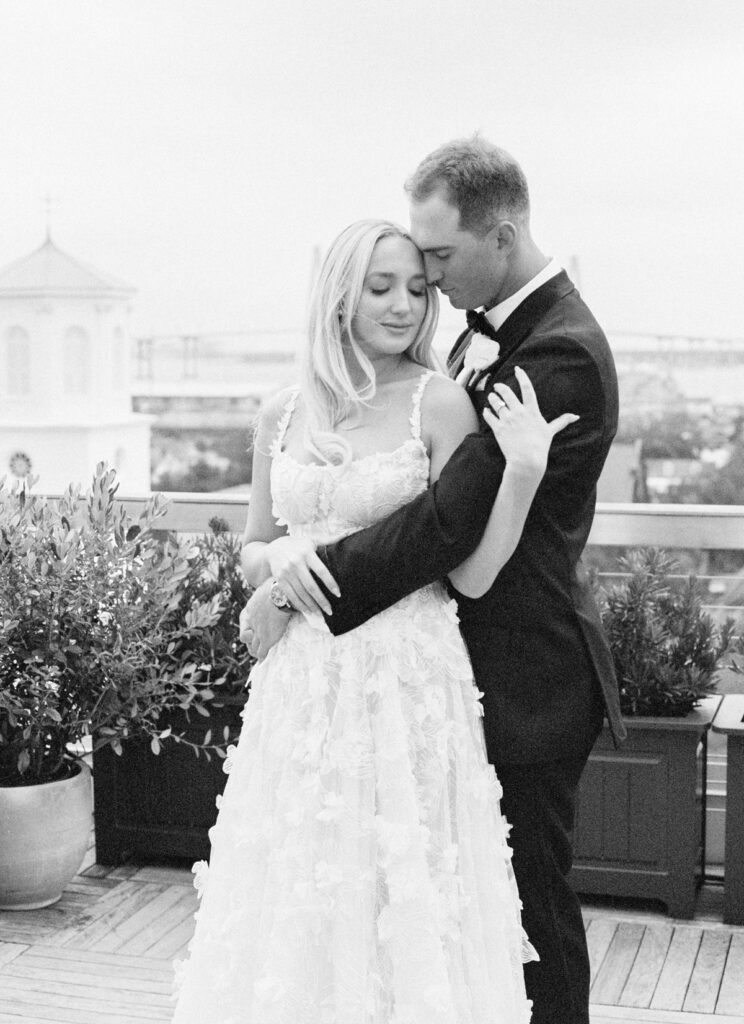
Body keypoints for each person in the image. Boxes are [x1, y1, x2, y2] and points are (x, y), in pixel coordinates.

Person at [243, 138, 627, 1024]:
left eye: (438, 264)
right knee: (411, 903)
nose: (429, 286)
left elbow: (445, 524)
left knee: (524, 912)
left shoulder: (559, 353)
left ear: (503, 235)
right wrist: (273, 563)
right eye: (404, 274)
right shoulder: (484, 332)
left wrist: (295, 585)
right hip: (422, 663)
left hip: (523, 668)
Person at [173, 217, 576, 1024]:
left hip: (405, 679)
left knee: (402, 893)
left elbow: (470, 571)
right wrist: (278, 564)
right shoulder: (279, 413)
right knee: (302, 888)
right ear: (339, 296)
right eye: (381, 287)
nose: (403, 306)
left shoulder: (442, 403)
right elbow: (255, 548)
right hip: (299, 688)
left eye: (418, 290)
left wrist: (525, 471)